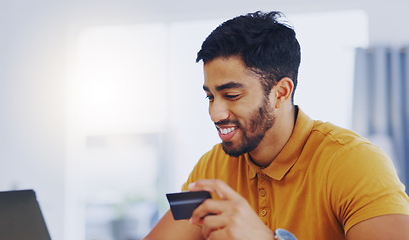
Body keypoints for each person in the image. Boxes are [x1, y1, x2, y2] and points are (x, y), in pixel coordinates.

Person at [144, 11, 409, 240]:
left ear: (281, 92)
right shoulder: (211, 167)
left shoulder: (356, 162)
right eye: (210, 96)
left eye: (232, 95)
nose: (215, 113)